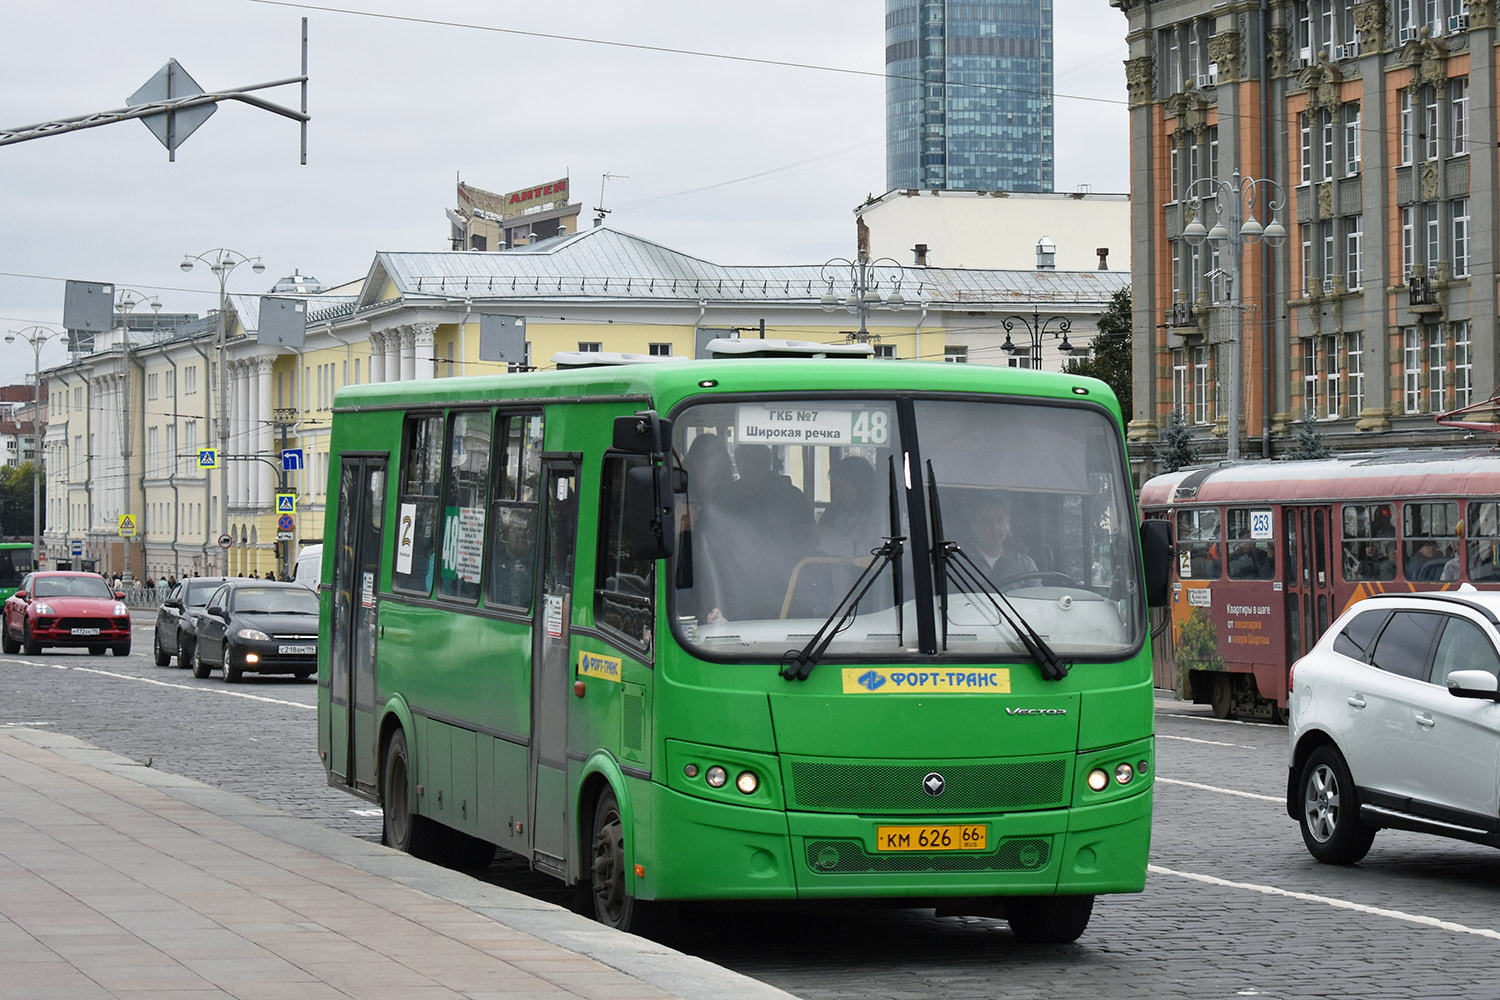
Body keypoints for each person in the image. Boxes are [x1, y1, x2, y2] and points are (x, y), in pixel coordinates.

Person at [816, 456, 883, 557]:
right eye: (835, 488)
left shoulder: (877, 516)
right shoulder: (833, 513)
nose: (837, 493)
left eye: (842, 488)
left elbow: (874, 552)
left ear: (861, 487)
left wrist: (828, 536)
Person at [966, 494, 1037, 581]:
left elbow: (1036, 593)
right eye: (987, 521)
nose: (995, 528)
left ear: (1008, 525)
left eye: (1000, 520)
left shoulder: (1025, 564)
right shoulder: (957, 564)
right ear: (974, 526)